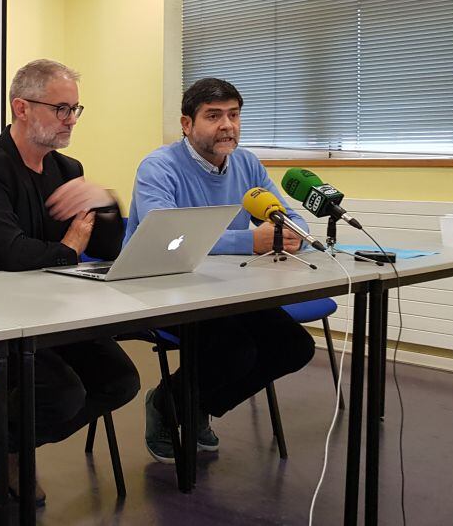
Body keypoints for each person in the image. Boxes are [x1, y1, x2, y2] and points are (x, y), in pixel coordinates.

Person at [0, 58, 141, 505]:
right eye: (61, 109)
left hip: (54, 309)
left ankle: (6, 437)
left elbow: (111, 246)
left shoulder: (68, 169)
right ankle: (9, 437)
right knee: (62, 392)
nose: (70, 120)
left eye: (76, 109)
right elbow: (12, 253)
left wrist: (106, 201)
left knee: (120, 380)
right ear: (21, 107)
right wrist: (71, 248)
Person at [125, 77, 316, 463]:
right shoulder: (158, 167)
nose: (227, 125)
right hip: (158, 287)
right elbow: (167, 238)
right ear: (186, 124)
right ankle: (165, 404)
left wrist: (291, 233)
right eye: (213, 116)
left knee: (294, 346)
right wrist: (251, 241)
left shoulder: (246, 163)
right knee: (235, 350)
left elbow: (292, 218)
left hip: (223, 286)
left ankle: (192, 406)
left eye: (233, 115)